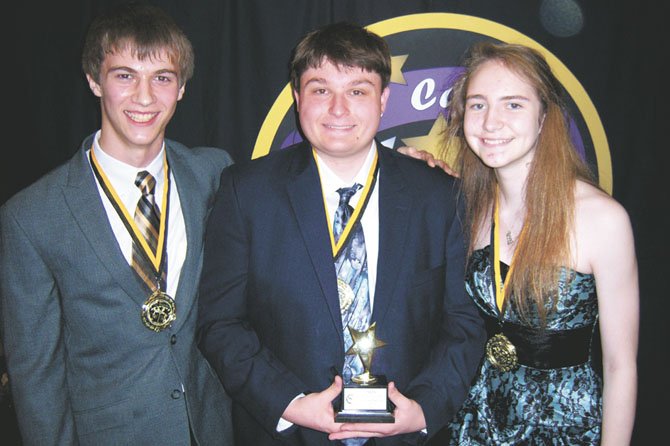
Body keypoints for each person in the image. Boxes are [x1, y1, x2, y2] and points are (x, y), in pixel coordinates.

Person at [196, 22, 486, 446]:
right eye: (319, 89)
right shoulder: (247, 192)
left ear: (384, 100)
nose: (338, 109)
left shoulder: (439, 195)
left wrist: (423, 409)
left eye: (357, 90)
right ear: (297, 98)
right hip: (289, 435)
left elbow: (465, 323)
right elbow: (220, 323)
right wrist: (290, 402)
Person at [0, 3, 234, 444]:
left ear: (181, 88)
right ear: (94, 80)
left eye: (162, 78)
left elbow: (288, 196)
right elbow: (36, 374)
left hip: (211, 430)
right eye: (125, 75)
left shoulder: (213, 174)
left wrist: (394, 168)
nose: (145, 97)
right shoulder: (31, 216)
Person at [436, 42, 638, 444]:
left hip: (563, 429)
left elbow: (621, 365)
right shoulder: (469, 207)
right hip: (476, 424)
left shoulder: (602, 220)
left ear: (545, 117)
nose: (491, 122)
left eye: (513, 105)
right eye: (477, 105)